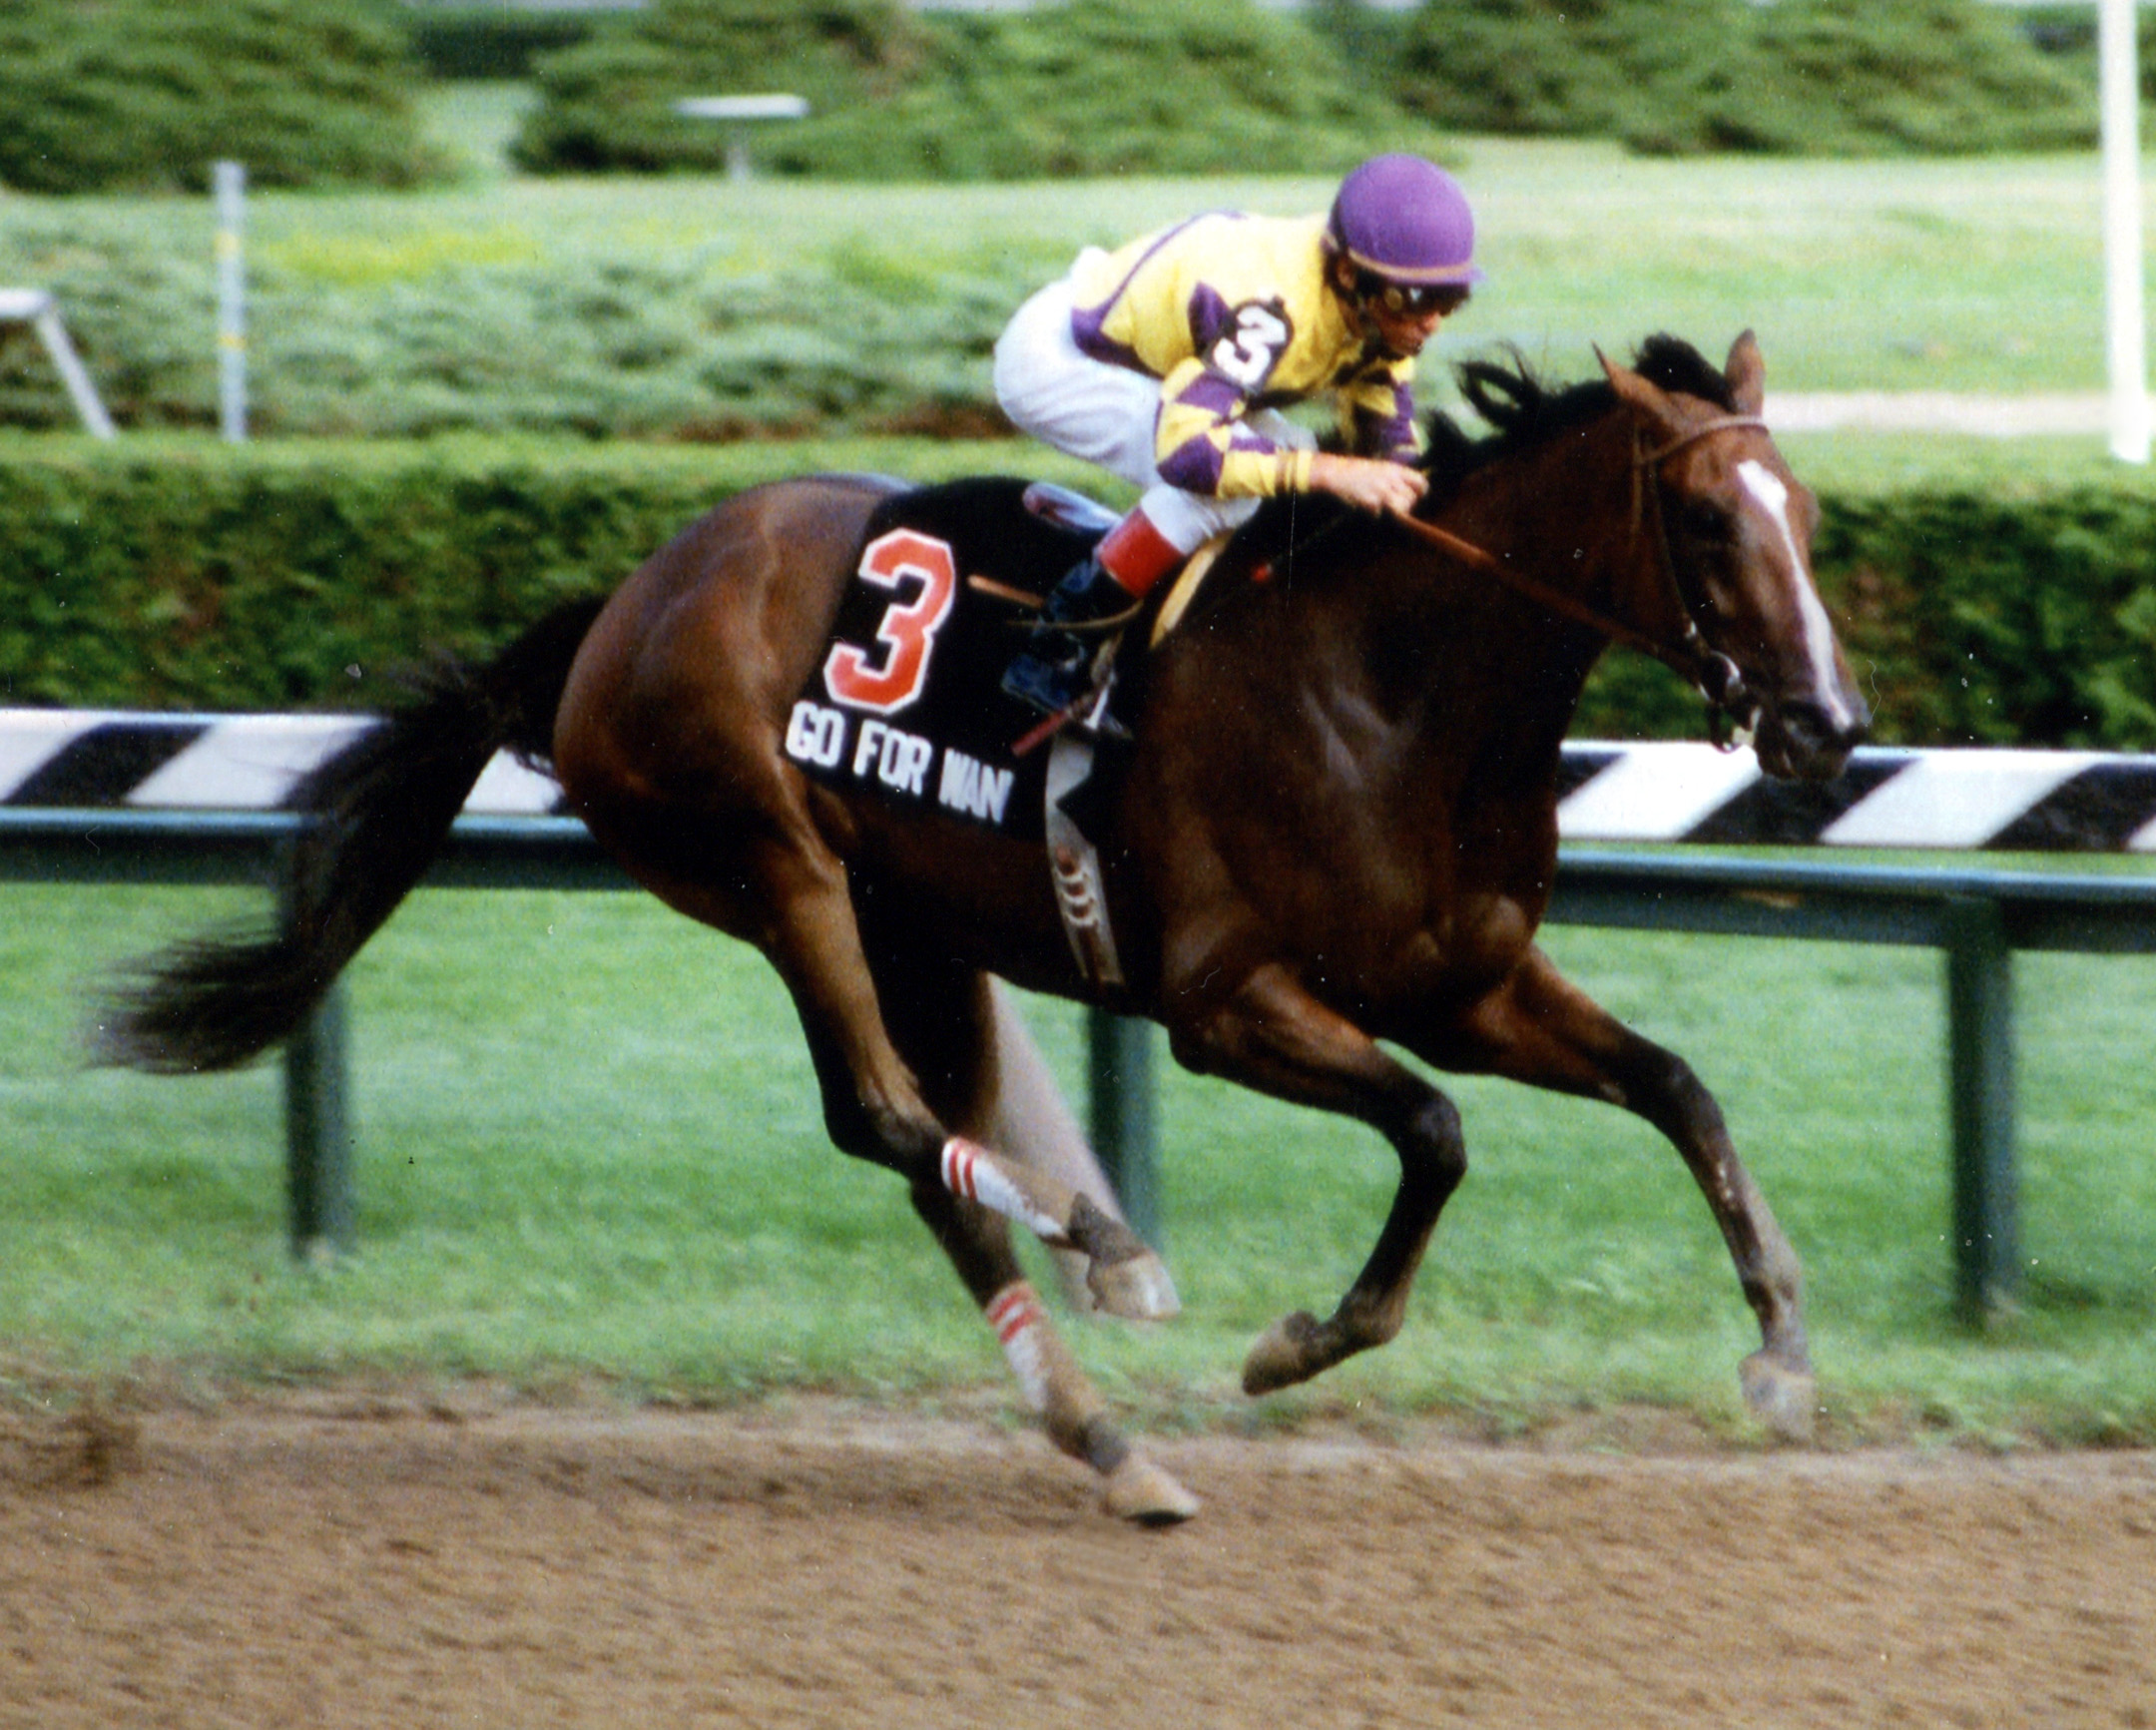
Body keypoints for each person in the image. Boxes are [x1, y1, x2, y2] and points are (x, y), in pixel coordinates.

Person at [991, 153, 1481, 718]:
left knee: (1297, 458)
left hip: (1154, 356)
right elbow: (1188, 452)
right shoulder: (1272, 312)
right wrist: (1332, 472)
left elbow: (1387, 439)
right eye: (1414, 299)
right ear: (1349, 274)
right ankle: (1059, 641)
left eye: (1449, 300)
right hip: (1061, 361)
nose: (1431, 321)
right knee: (1233, 489)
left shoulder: (1380, 309)